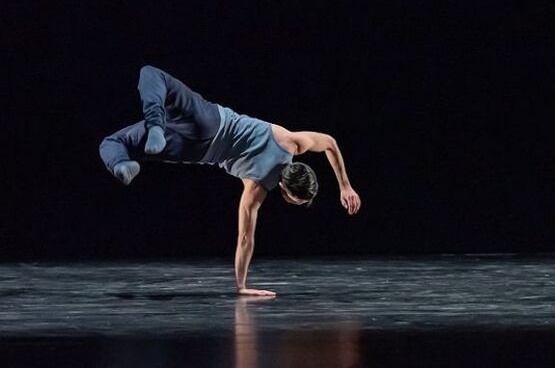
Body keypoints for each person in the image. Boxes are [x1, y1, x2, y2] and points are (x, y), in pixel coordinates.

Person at [99, 65, 361, 296]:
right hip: (198, 150)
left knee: (151, 74)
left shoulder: (293, 142)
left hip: (210, 119)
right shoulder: (257, 188)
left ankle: (154, 124)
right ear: (286, 190)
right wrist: (242, 286)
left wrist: (345, 185)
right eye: (297, 200)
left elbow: (330, 143)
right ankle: (123, 164)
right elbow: (245, 238)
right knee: (115, 142)